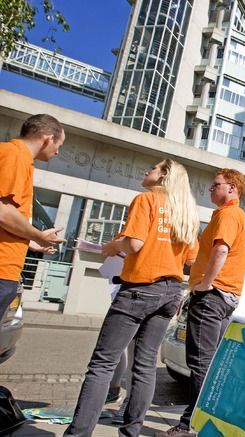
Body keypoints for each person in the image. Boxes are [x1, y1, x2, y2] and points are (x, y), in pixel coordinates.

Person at [65, 159, 199, 437]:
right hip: (170, 291)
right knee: (146, 365)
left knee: (103, 363)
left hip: (139, 289)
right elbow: (191, 259)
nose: (146, 170)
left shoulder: (147, 200)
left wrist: (113, 245)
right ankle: (130, 432)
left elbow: (135, 243)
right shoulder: (186, 212)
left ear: (164, 176)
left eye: (153, 167)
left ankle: (77, 434)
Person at [158, 169, 245, 437]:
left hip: (213, 295)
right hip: (227, 296)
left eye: (216, 185)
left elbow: (221, 249)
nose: (211, 189)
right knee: (210, 364)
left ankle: (191, 426)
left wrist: (206, 282)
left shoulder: (228, 214)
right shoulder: (241, 218)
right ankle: (205, 420)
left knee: (200, 363)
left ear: (232, 188)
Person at [0, 114, 65, 319]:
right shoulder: (15, 155)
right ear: (48, 138)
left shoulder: (19, 158)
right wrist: (38, 235)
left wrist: (29, 241)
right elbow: (3, 213)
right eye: (58, 144)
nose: (58, 151)